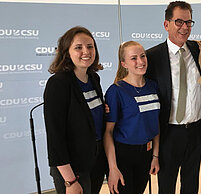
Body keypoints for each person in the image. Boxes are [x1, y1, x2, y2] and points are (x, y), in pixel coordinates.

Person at [145, 1, 201, 193]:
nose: (185, 27)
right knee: (166, 183)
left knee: (191, 181)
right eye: (179, 22)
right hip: (168, 132)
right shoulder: (152, 57)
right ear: (166, 24)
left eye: (189, 22)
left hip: (197, 128)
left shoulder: (198, 50)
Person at [43, 26, 107, 194]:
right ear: (67, 52)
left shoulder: (94, 77)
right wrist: (70, 181)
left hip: (95, 162)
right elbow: (55, 137)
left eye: (90, 46)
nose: (86, 51)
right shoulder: (58, 84)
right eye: (78, 47)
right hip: (72, 170)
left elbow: (88, 115)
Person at [104, 41, 160, 194]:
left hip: (146, 154)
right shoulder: (116, 91)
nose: (140, 62)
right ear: (124, 64)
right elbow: (108, 133)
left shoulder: (153, 86)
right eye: (134, 58)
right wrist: (113, 168)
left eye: (142, 56)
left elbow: (155, 125)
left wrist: (155, 156)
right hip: (123, 156)